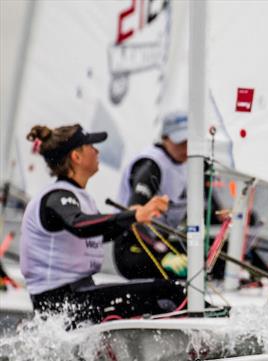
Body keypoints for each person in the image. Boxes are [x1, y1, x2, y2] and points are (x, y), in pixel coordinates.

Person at [20, 123, 184, 326]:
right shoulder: (57, 197)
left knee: (167, 291)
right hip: (61, 306)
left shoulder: (79, 197)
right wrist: (135, 214)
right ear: (76, 157)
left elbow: (101, 232)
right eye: (91, 146)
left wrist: (136, 217)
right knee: (170, 292)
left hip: (79, 298)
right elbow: (80, 225)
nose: (97, 151)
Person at [113, 111, 190, 279]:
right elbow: (135, 212)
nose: (186, 147)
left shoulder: (189, 165)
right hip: (133, 248)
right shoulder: (151, 165)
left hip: (161, 244)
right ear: (165, 137)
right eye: (181, 141)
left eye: (189, 141)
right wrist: (162, 257)